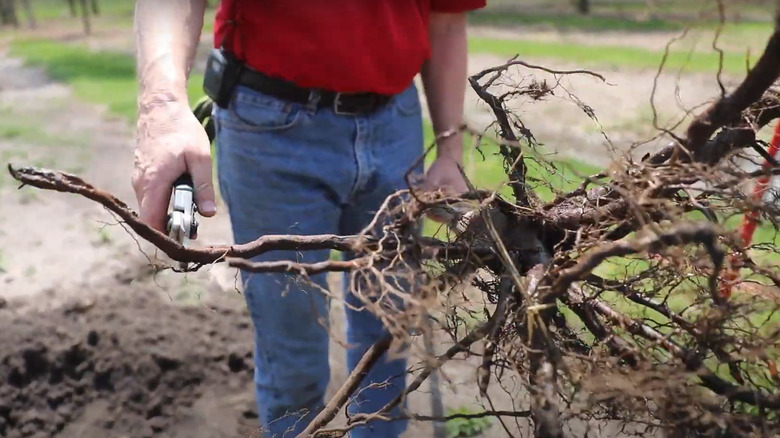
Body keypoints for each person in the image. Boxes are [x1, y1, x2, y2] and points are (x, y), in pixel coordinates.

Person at [131, 1, 485, 436]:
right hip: (271, 127)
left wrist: (450, 149)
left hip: (396, 124)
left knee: (388, 339)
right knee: (291, 352)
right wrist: (162, 106)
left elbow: (446, 17)